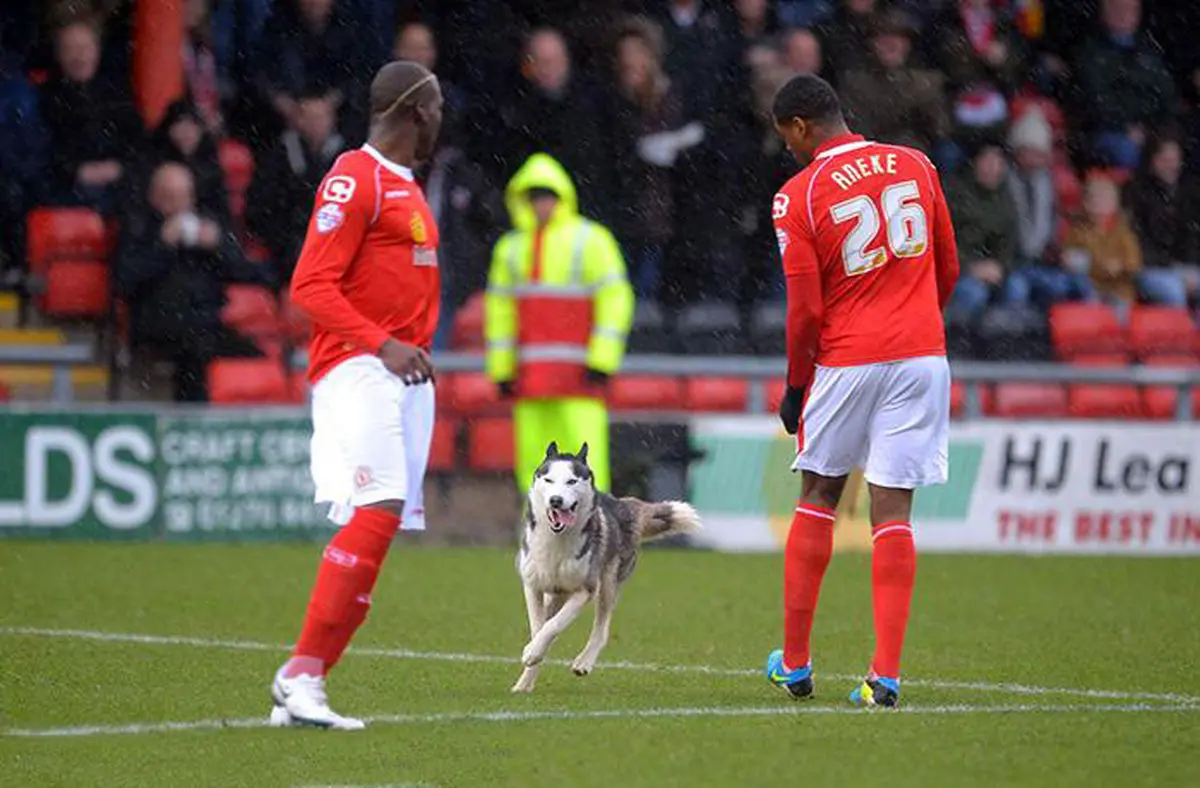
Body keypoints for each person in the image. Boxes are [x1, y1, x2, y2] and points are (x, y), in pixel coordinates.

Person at [766, 74, 959, 708]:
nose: (789, 148)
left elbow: (804, 313)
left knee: (820, 493)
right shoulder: (917, 165)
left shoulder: (800, 194)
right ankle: (885, 676)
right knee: (893, 512)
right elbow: (948, 268)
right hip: (921, 356)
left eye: (787, 137)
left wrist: (798, 386)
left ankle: (795, 664)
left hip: (848, 359)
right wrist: (912, 321)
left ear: (799, 127)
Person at [271, 61, 444, 730]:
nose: (442, 119)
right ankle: (305, 674)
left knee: (383, 526)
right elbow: (310, 286)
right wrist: (382, 344)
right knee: (378, 509)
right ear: (418, 112)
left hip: (400, 376)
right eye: (438, 108)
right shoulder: (355, 176)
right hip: (361, 368)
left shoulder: (403, 183)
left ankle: (300, 679)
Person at [484, 153, 634, 495]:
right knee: (534, 466)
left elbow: (616, 301)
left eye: (548, 196)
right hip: (531, 377)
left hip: (579, 375)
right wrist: (502, 369)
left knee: (585, 462)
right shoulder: (510, 249)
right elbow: (500, 313)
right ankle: (538, 538)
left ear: (562, 197)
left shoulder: (591, 240)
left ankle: (593, 534)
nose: (542, 205)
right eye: (534, 197)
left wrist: (602, 360)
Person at [114, 162, 267, 402]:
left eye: (184, 196)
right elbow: (124, 282)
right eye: (170, 196)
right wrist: (162, 246)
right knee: (194, 351)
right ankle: (191, 423)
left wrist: (219, 245)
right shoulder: (138, 226)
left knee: (254, 357)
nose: (178, 203)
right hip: (156, 324)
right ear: (155, 196)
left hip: (207, 322)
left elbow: (249, 273)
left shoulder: (207, 225)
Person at [1003, 109, 1094, 309]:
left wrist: (1056, 255)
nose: (1037, 158)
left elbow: (1051, 229)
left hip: (1042, 263)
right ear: (1018, 151)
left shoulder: (1047, 184)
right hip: (1011, 263)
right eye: (1031, 152)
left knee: (1072, 284)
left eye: (1041, 153)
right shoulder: (1004, 184)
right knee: (1016, 288)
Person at [1124, 132, 1199, 306]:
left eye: (1175, 160)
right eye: (1164, 160)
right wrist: (1172, 267)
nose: (1171, 166)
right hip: (1150, 268)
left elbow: (1193, 236)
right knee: (1174, 294)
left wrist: (1189, 267)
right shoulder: (1135, 192)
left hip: (1185, 267)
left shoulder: (1189, 192)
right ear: (1152, 160)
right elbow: (1138, 239)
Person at [944, 141, 1018, 318]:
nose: (993, 168)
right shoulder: (955, 194)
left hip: (992, 272)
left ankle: (1004, 341)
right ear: (975, 163)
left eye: (998, 163)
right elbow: (943, 244)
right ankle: (957, 339)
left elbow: (1008, 244)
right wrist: (970, 268)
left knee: (1017, 287)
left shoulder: (1005, 199)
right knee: (974, 294)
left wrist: (1000, 267)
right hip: (958, 272)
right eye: (988, 162)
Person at [1063, 174, 1142, 313]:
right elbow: (1068, 255)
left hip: (1119, 291)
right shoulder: (1077, 231)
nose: (1100, 204)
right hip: (1089, 289)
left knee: (1121, 310)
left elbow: (1134, 264)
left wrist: (1121, 266)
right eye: (1095, 199)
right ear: (1086, 203)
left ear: (1115, 204)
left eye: (1106, 199)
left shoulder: (1123, 232)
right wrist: (1067, 259)